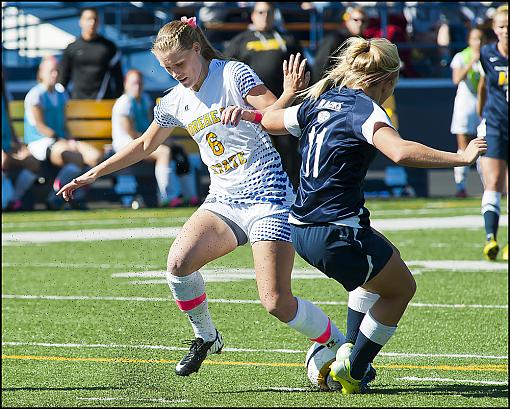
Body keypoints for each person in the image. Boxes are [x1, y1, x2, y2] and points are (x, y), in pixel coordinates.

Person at [55, 17, 357, 384]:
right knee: (178, 264)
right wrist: (92, 173)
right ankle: (206, 336)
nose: (176, 74)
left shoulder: (232, 74)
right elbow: (144, 145)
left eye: (180, 64)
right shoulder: (174, 101)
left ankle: (337, 341)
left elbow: (274, 117)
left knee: (275, 301)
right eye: (168, 69)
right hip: (224, 201)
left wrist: (289, 93)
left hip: (269, 196)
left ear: (197, 49)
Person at [222, 36, 487, 394]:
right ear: (386, 81)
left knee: (373, 272)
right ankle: (353, 367)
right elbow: (400, 151)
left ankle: (349, 348)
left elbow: (270, 121)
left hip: (301, 228)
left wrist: (263, 106)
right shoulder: (365, 109)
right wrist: (461, 157)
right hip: (335, 231)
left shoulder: (319, 100)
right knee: (401, 289)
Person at [224, 2, 307, 189]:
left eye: (269, 13)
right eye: (261, 12)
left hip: (284, 105)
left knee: (288, 153)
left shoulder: (287, 39)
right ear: (253, 15)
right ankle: (262, 191)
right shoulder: (240, 41)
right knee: (259, 153)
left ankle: (293, 192)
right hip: (250, 112)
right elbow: (226, 73)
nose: (265, 16)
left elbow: (303, 71)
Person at [112, 69, 199, 207]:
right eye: (134, 83)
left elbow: (149, 127)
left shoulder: (145, 99)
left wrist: (166, 141)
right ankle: (167, 197)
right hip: (126, 145)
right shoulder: (124, 104)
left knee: (179, 150)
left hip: (143, 141)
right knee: (164, 152)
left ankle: (190, 196)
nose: (138, 87)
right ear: (126, 84)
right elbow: (132, 134)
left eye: (140, 83)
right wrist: (160, 141)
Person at [24, 55, 102, 209]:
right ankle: (57, 194)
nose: (55, 74)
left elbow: (65, 125)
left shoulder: (61, 93)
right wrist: (64, 141)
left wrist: (71, 140)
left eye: (56, 71)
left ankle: (75, 195)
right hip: (40, 142)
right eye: (51, 71)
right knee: (75, 158)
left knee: (95, 157)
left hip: (60, 141)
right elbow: (41, 127)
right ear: (41, 73)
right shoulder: (35, 95)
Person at [476, 4, 508, 261]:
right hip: (495, 123)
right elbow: (485, 86)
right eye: (502, 26)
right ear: (494, 29)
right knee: (493, 180)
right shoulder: (487, 53)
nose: (506, 31)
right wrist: (481, 115)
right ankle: (491, 238)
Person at [58, 7, 123, 100]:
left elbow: (118, 78)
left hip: (103, 103)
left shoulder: (109, 47)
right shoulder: (71, 48)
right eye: (88, 19)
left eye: (95, 19)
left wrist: (116, 100)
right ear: (81, 22)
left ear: (98, 22)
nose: (92, 22)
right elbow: (63, 79)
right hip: (77, 103)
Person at [450, 27, 485, 198]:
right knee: (463, 147)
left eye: (480, 39)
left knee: (483, 145)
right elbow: (456, 79)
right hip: (465, 104)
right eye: (474, 39)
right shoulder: (461, 57)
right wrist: (472, 61)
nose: (478, 42)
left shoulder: (488, 57)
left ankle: (489, 185)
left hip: (482, 104)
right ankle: (460, 187)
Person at [2, 71, 40, 211]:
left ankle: (14, 199)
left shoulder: (4, 96)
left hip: (7, 148)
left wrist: (19, 144)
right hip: (4, 154)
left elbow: (8, 123)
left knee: (32, 162)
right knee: (4, 159)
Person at [312, 6, 367, 84]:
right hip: (330, 89)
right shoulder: (334, 39)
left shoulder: (364, 42)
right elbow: (320, 65)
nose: (360, 23)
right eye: (355, 20)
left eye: (363, 21)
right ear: (347, 21)